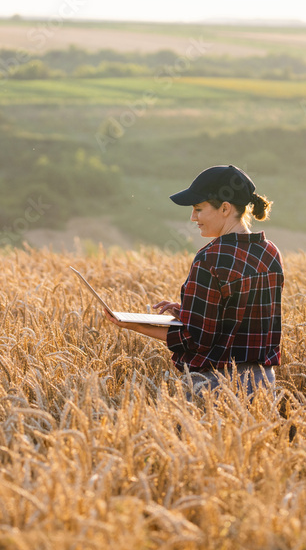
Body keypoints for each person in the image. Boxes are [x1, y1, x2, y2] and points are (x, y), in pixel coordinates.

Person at [103, 164, 283, 398]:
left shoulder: (211, 258)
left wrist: (135, 325)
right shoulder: (270, 252)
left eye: (198, 209)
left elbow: (196, 340)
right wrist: (188, 312)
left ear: (225, 208)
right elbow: (240, 317)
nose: (192, 217)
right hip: (264, 384)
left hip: (215, 386)